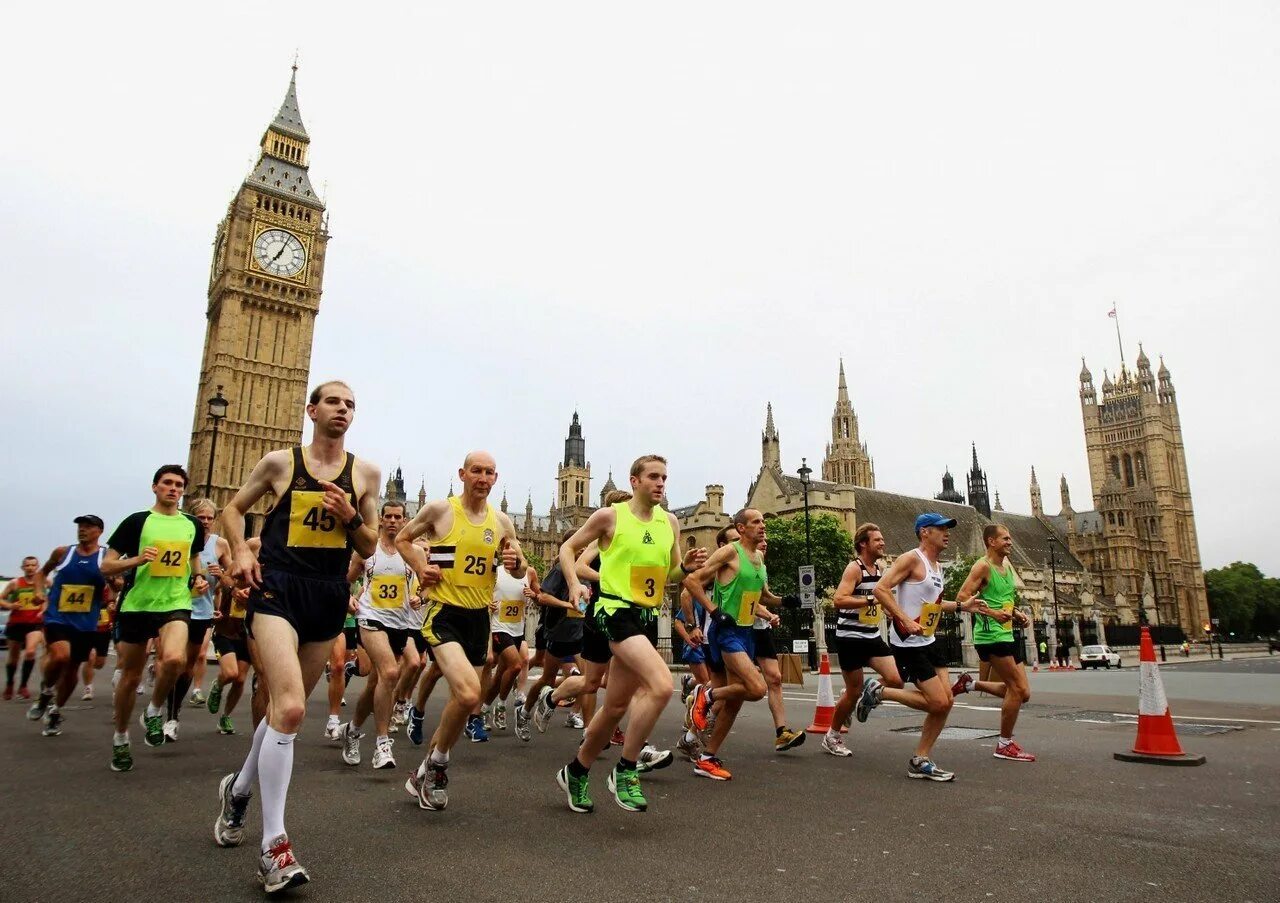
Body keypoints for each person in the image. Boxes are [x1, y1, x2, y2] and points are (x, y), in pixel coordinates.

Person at [212, 380, 380, 895]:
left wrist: (352, 517)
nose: (343, 410)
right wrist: (241, 553)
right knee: (288, 710)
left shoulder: (365, 473)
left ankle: (237, 790)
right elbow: (233, 510)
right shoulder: (281, 463)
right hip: (278, 588)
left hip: (327, 594)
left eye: (350, 404)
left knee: (280, 713)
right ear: (312, 410)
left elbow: (370, 543)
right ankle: (274, 846)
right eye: (334, 401)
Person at [553, 455, 703, 813]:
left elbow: (668, 575)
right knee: (662, 684)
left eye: (664, 477)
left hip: (646, 616)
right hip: (614, 612)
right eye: (653, 476)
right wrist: (574, 584)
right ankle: (626, 769)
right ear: (634, 481)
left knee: (616, 705)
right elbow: (568, 548)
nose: (660, 483)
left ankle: (576, 771)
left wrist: (687, 567)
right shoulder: (611, 516)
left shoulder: (670, 523)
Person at [396, 451, 526, 812]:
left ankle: (423, 769)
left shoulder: (501, 522)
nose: (483, 477)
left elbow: (518, 565)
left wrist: (517, 565)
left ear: (495, 479)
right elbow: (405, 539)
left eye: (489, 472)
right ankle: (439, 766)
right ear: (463, 474)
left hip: (478, 619)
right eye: (476, 471)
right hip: (443, 614)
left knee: (461, 699)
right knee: (470, 696)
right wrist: (422, 566)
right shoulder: (440, 511)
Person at [856, 513, 987, 782]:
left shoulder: (937, 567)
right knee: (937, 701)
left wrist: (963, 606)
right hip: (907, 641)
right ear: (924, 532)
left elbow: (933, 605)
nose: (947, 533)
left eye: (947, 529)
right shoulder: (911, 559)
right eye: (941, 529)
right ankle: (880, 691)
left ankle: (921, 759)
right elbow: (881, 590)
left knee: (946, 701)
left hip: (928, 640)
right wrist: (904, 619)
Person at [102, 466, 208, 771]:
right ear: (155, 487)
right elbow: (107, 566)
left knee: (175, 660)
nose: (173, 489)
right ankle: (121, 736)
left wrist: (199, 577)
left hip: (176, 602)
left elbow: (193, 557)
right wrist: (137, 560)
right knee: (130, 676)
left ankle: (153, 709)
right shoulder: (137, 522)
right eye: (167, 484)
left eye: (178, 485)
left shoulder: (190, 524)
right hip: (137, 604)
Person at [682, 508, 772, 780]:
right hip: (727, 632)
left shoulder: (759, 559)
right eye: (756, 522)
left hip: (746, 633)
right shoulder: (730, 552)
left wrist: (782, 602)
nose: (762, 526)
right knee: (757, 689)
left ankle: (707, 758)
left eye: (763, 522)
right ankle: (706, 695)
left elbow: (762, 596)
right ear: (741, 528)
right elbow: (691, 580)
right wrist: (712, 610)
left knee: (735, 700)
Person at [338, 501, 422, 770]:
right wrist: (348, 599)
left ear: (405, 519)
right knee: (389, 672)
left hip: (400, 622)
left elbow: (429, 585)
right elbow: (347, 580)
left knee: (376, 685)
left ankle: (351, 730)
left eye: (399, 517)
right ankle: (382, 744)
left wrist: (422, 596)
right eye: (389, 516)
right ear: (382, 520)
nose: (394, 521)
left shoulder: (414, 552)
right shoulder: (366, 550)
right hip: (371, 617)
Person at [950, 524, 1035, 762]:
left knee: (1023, 693)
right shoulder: (982, 566)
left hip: (1006, 634)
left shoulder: (1006, 567)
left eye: (1010, 538)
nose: (1010, 542)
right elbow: (962, 597)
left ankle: (969, 684)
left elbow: (1001, 600)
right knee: (1017, 689)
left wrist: (1016, 613)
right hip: (990, 636)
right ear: (991, 541)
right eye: (1005, 539)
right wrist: (993, 614)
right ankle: (1004, 744)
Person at [824, 522, 904, 757]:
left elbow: (883, 599)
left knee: (896, 679)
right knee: (853, 691)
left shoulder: (880, 569)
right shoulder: (854, 569)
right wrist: (870, 600)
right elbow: (839, 600)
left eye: (882, 539)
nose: (882, 543)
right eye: (877, 540)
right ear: (863, 544)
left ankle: (865, 693)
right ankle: (832, 736)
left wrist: (891, 611)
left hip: (871, 635)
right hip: (849, 637)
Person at [28, 516, 109, 736]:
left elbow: (115, 583)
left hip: (85, 624)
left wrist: (116, 582)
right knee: (61, 657)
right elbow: (41, 574)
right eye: (80, 526)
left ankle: (56, 710)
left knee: (72, 669)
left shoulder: (105, 558)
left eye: (88, 527)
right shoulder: (63, 553)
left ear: (99, 531)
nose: (82, 530)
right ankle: (45, 692)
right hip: (57, 617)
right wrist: (38, 592)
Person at [164, 499, 232, 741]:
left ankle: (172, 714)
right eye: (200, 517)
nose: (204, 522)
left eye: (209, 518)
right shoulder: (178, 540)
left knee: (188, 664)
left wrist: (221, 575)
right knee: (173, 659)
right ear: (191, 517)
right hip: (173, 609)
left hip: (201, 612)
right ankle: (159, 705)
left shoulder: (220, 545)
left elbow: (232, 582)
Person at [3, 556, 46, 701]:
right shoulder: (15, 583)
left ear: (37, 567)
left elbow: (50, 598)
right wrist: (10, 605)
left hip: (34, 624)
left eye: (33, 565)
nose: (30, 568)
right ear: (23, 568)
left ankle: (23, 685)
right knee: (13, 658)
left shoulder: (44, 582)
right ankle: (10, 684)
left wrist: (44, 610)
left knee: (30, 652)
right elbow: (1, 598)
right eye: (27, 565)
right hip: (16, 624)